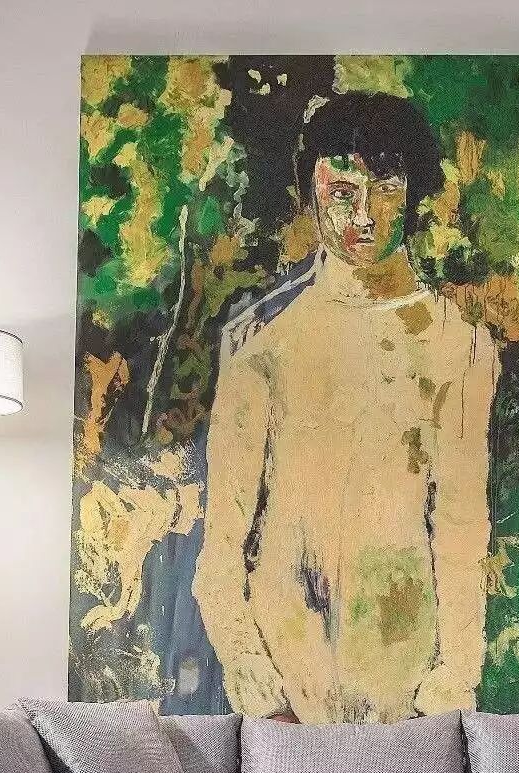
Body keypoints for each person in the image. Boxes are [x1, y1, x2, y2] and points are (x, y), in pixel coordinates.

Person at [194, 91, 498, 723]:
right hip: (286, 677)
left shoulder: (457, 345)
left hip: (405, 682)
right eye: (342, 192)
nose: (364, 215)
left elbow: (462, 530)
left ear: (411, 193)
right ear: (313, 192)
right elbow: (221, 550)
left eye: (384, 189)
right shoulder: (260, 344)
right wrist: (261, 693)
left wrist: (451, 686)